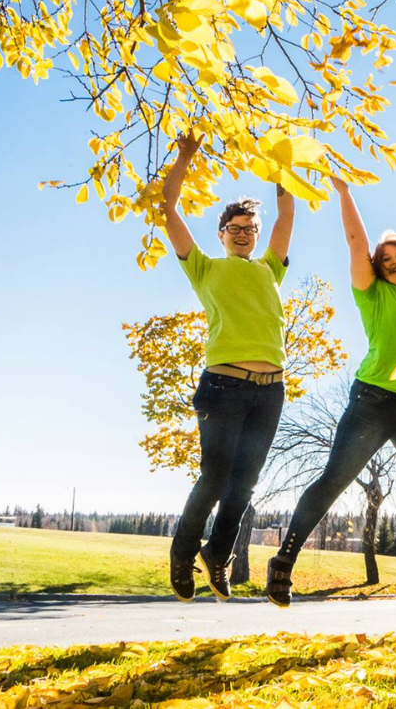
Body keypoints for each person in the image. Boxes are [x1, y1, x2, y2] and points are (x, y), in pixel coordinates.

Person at [264, 176, 396, 606]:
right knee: (334, 480)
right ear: (377, 265)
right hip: (372, 402)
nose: (393, 261)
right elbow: (357, 242)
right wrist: (344, 193)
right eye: (386, 257)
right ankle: (283, 561)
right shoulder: (371, 294)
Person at [161, 132, 295, 602]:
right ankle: (182, 551)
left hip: (270, 390)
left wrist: (280, 165)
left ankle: (216, 555)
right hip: (224, 387)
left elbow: (287, 214)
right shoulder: (204, 268)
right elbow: (168, 209)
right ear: (221, 234)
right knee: (216, 476)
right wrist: (184, 157)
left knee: (245, 483)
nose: (243, 233)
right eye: (235, 228)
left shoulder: (269, 270)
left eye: (249, 228)